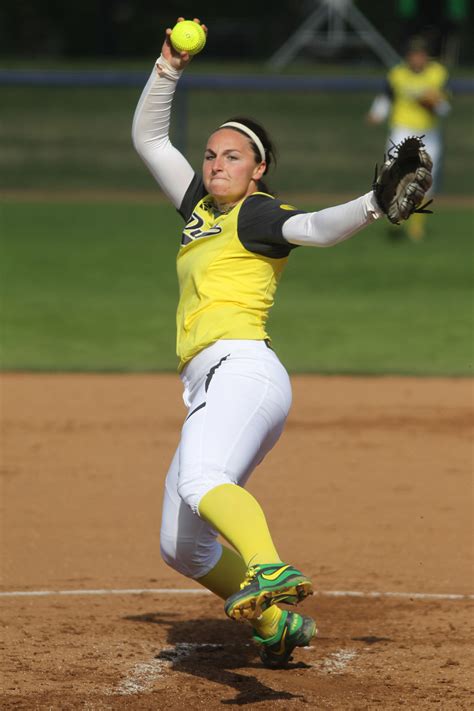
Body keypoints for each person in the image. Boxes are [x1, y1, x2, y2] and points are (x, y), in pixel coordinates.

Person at [132, 18, 426, 669]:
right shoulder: (202, 214)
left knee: (204, 478)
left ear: (258, 168)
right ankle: (277, 620)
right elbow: (150, 138)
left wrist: (373, 205)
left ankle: (269, 567)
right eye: (209, 153)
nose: (214, 162)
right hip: (213, 384)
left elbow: (316, 229)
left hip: (243, 371)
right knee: (184, 548)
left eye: (231, 155)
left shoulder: (257, 213)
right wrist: (170, 65)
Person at [367, 36, 451, 240]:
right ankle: (396, 218)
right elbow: (387, 96)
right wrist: (376, 113)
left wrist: (434, 104)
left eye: (421, 55)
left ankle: (416, 227)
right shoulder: (398, 74)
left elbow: (444, 107)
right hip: (402, 130)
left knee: (424, 178)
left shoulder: (437, 73)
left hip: (429, 132)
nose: (417, 59)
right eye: (413, 55)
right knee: (396, 174)